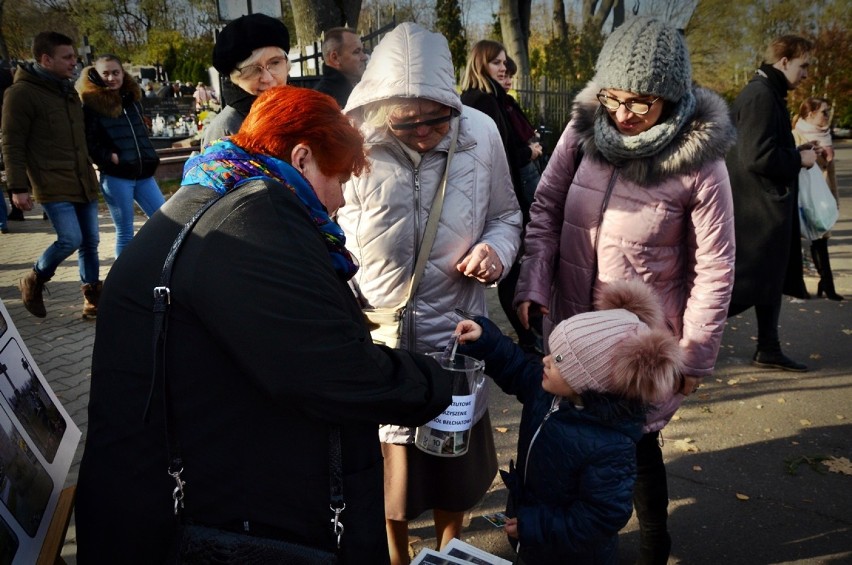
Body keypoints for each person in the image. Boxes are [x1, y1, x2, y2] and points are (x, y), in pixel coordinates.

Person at [74, 85, 455, 564]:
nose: (339, 200)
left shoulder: (217, 194)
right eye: (338, 177)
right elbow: (331, 372)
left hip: (159, 497)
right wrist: (435, 384)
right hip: (175, 520)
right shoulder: (253, 215)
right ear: (302, 158)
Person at [514, 17, 736, 564]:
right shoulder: (583, 129)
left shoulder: (701, 162)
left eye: (640, 102)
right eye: (612, 96)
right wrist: (533, 280)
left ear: (672, 96)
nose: (622, 114)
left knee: (631, 448)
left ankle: (654, 544)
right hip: (570, 323)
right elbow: (544, 209)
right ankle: (551, 541)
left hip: (635, 345)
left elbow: (716, 266)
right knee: (560, 440)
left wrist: (694, 358)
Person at [338, 22, 523, 565]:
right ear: (378, 107)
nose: (422, 132)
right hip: (376, 340)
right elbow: (322, 223)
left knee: (452, 471)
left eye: (435, 119)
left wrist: (496, 251)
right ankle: (396, 556)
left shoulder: (482, 134)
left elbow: (508, 215)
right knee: (387, 477)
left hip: (454, 336)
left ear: (451, 103)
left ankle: (448, 549)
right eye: (406, 121)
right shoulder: (351, 141)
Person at [458, 280, 682, 564]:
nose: (546, 361)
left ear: (589, 381)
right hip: (532, 532)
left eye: (560, 359)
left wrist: (535, 526)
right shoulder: (551, 391)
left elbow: (600, 518)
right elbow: (516, 367)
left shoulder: (611, 444)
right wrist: (486, 341)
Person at [726, 35, 817, 372]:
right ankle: (682, 336)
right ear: (784, 61)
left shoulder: (767, 92)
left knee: (770, 279)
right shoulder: (761, 96)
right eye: (803, 65)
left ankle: (769, 347)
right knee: (747, 284)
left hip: (762, 205)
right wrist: (799, 159)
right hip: (756, 210)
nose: (806, 74)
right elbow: (757, 156)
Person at [1, 31, 102, 319]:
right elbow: (12, 141)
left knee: (90, 242)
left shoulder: (67, 89)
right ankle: (34, 278)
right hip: (51, 180)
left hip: (82, 178)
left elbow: (78, 135)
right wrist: (17, 186)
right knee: (70, 239)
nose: (74, 62)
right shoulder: (20, 94)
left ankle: (92, 299)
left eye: (74, 56)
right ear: (46, 59)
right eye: (67, 57)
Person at [460, 41, 543, 356]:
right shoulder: (482, 101)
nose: (504, 68)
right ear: (481, 64)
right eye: (496, 62)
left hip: (508, 187)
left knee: (517, 259)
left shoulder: (494, 99)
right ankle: (527, 334)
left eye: (505, 63)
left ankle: (529, 330)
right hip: (503, 191)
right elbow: (502, 154)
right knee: (511, 262)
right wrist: (529, 152)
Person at [78, 55, 164, 257]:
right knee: (125, 231)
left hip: (143, 173)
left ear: (122, 73)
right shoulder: (91, 104)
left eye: (115, 72)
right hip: (117, 176)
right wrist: (109, 157)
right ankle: (121, 283)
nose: (111, 78)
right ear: (96, 76)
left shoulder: (132, 100)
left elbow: (139, 131)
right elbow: (89, 141)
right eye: (105, 73)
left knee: (165, 218)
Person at [201, 13, 290, 149]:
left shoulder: (304, 110)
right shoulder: (226, 128)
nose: (267, 78)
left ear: (287, 64)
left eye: (275, 63)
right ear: (235, 78)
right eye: (253, 70)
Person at [793, 97, 843, 301]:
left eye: (828, 111)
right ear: (809, 114)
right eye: (824, 111)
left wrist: (834, 196)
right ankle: (799, 285)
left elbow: (830, 171)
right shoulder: (796, 134)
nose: (828, 116)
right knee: (801, 240)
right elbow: (794, 164)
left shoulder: (826, 136)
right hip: (804, 196)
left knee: (822, 240)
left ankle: (827, 283)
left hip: (823, 194)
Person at [315, 27, 368, 109]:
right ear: (335, 58)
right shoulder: (323, 101)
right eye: (356, 52)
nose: (364, 57)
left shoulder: (353, 89)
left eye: (362, 51)